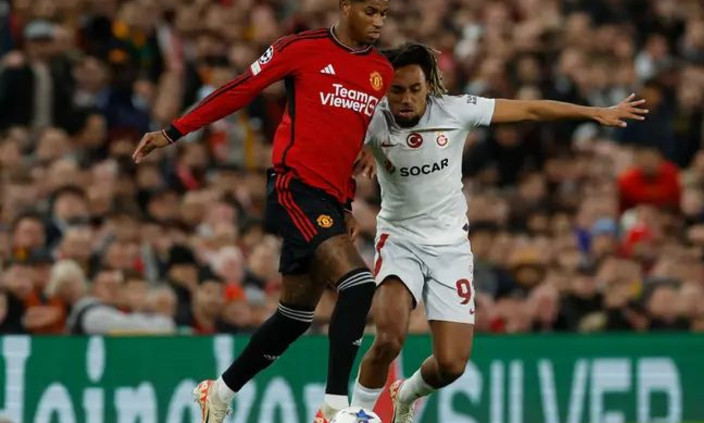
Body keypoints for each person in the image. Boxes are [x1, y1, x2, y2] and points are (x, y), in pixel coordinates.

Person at [350, 43, 648, 422]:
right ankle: (355, 414)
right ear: (385, 90)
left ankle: (405, 393)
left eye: (414, 89)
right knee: (389, 338)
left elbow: (530, 109)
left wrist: (594, 112)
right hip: (400, 240)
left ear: (428, 88)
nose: (406, 99)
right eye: (397, 91)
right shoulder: (372, 120)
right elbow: (334, 157)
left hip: (450, 247)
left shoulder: (455, 110)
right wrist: (353, 172)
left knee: (452, 365)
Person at [131, 1, 392, 422]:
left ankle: (218, 393)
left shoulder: (381, 70)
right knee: (359, 284)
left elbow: (357, 134)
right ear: (346, 6)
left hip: (333, 199)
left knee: (295, 316)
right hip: (295, 188)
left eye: (384, 13)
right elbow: (240, 88)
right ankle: (334, 408)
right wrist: (174, 131)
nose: (379, 21)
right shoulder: (300, 48)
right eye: (371, 11)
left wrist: (351, 191)